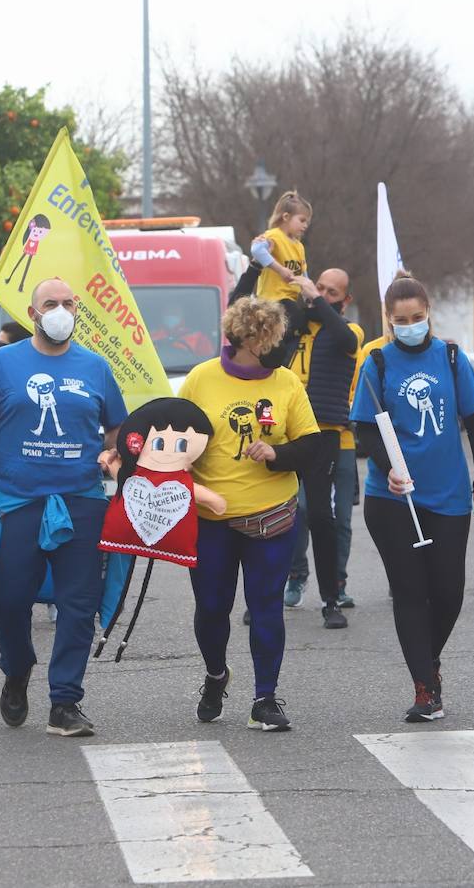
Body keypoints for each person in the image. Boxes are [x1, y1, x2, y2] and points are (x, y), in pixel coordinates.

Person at [0, 278, 127, 737]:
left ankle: (65, 702)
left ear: (78, 311)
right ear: (33, 315)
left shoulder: (95, 367)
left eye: (67, 303)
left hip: (82, 500)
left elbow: (115, 429)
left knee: (79, 604)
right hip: (16, 502)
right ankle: (17, 669)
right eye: (50, 304)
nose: (60, 310)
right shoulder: (1, 364)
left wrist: (115, 455)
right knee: (6, 598)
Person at [353, 276, 474, 723]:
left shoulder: (451, 357)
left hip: (449, 494)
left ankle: (427, 660)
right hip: (392, 498)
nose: (410, 326)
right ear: (388, 321)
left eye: (417, 318)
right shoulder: (376, 362)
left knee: (448, 592)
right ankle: (424, 686)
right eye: (401, 321)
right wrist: (389, 467)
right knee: (410, 592)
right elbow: (364, 427)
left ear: (429, 311)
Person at [177, 297, 318, 731]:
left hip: (269, 517)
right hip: (210, 519)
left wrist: (277, 452)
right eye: (272, 339)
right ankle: (216, 675)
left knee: (265, 607)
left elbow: (312, 446)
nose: (281, 348)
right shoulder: (201, 380)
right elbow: (175, 440)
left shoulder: (287, 383)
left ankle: (266, 697)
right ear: (245, 338)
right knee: (212, 607)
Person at [280, 269, 364, 627]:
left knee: (320, 516)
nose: (322, 295)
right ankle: (267, 594)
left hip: (324, 433)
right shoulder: (295, 327)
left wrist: (315, 297)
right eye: (320, 288)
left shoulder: (346, 330)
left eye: (332, 292)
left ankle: (331, 599)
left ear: (343, 300)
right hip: (284, 435)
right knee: (276, 517)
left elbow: (345, 337)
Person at [250, 191, 313, 368]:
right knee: (297, 319)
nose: (305, 225)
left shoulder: (299, 246)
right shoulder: (274, 236)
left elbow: (303, 274)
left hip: (289, 299)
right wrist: (279, 269)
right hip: (273, 299)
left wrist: (310, 296)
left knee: (303, 320)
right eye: (302, 220)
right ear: (286, 217)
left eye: (307, 222)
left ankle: (285, 359)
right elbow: (256, 251)